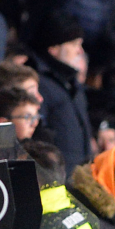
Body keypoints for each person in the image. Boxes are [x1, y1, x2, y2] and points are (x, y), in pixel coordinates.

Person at [30, 11, 92, 174]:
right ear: (54, 48)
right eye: (74, 44)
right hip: (56, 175)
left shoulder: (72, 82)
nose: (80, 51)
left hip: (79, 175)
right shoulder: (38, 84)